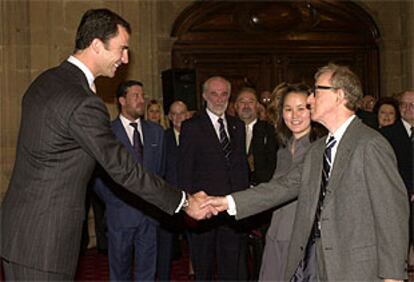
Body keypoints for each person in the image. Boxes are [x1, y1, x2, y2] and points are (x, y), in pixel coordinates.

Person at [0, 9, 211, 281]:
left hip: (18, 230)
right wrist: (184, 201)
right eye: (122, 49)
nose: (125, 59)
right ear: (97, 45)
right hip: (46, 240)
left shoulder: (46, 80)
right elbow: (123, 169)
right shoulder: (83, 101)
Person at [203, 63, 409, 281]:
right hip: (318, 263)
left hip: (357, 268)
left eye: (317, 91)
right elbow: (283, 187)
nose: (310, 100)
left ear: (339, 96)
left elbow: (392, 214)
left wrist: (393, 276)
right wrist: (226, 202)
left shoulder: (369, 144)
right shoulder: (319, 149)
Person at [92, 80, 165, 281]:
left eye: (142, 96)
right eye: (135, 96)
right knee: (120, 272)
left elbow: (160, 171)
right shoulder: (107, 133)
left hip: (150, 215)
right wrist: (115, 202)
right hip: (120, 215)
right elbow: (97, 176)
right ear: (122, 100)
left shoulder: (156, 132)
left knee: (147, 272)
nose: (141, 101)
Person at [179, 76, 249, 281]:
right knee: (204, 268)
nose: (219, 99)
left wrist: (244, 203)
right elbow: (184, 170)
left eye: (224, 94)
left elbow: (241, 168)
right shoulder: (191, 127)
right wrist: (188, 207)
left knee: (231, 269)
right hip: (204, 211)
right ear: (204, 96)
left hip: (231, 210)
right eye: (214, 94)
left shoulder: (237, 126)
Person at [259, 83, 326, 281]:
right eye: (288, 109)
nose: (294, 116)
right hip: (276, 234)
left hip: (303, 241)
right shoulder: (283, 150)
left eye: (301, 108)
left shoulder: (320, 148)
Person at [234, 87, 277, 280]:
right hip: (235, 198)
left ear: (257, 106)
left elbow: (273, 164)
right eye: (242, 101)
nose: (246, 105)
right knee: (238, 247)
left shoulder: (268, 130)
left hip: (262, 197)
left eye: (250, 101)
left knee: (261, 246)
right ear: (235, 106)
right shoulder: (229, 129)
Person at [381, 90, 414, 270]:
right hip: (398, 201)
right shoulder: (386, 135)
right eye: (403, 104)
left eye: (412, 105)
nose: (407, 109)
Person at [157, 100, 189, 281]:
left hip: (192, 199)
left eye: (182, 113)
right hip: (168, 199)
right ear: (169, 117)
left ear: (188, 115)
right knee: (165, 245)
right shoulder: (162, 137)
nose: (178, 117)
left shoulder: (197, 136)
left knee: (197, 245)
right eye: (174, 114)